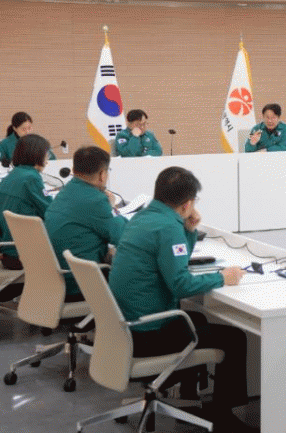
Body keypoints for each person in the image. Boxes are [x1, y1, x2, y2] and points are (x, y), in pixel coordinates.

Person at [108, 166, 250, 431]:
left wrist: (189, 230)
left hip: (126, 326)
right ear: (187, 203)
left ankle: (190, 396)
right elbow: (181, 284)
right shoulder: (167, 228)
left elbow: (177, 262)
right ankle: (223, 416)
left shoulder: (142, 218)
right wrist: (223, 278)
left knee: (197, 319)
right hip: (147, 334)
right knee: (234, 337)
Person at [45, 146, 126, 302]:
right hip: (81, 284)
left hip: (57, 279)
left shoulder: (66, 191)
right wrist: (112, 208)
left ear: (74, 170)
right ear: (102, 174)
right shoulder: (95, 200)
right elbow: (122, 236)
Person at [0, 134, 53, 270]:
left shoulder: (10, 176)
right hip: (27, 256)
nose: (47, 161)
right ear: (36, 155)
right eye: (46, 156)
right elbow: (51, 213)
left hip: (8, 254)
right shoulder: (32, 178)